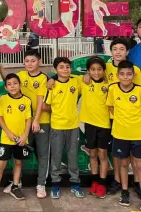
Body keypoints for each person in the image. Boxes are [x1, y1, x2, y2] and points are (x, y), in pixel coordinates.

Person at [0, 50, 50, 198]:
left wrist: (36, 119)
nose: (30, 64)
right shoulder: (21, 75)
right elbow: (8, 79)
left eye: (33, 61)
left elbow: (40, 100)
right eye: (27, 61)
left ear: (39, 62)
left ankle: (41, 184)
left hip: (41, 122)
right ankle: (17, 183)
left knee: (42, 154)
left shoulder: (43, 78)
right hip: (23, 123)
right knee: (19, 155)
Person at [42, 57, 84, 199]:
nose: (65, 69)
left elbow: (88, 77)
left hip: (73, 126)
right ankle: (55, 184)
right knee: (56, 157)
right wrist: (58, 112)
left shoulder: (75, 81)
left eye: (67, 66)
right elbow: (45, 106)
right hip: (57, 127)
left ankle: (75, 183)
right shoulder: (51, 86)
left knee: (73, 156)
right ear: (55, 69)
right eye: (61, 67)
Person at [0, 73, 31, 203]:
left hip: (21, 139)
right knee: (1, 164)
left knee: (18, 162)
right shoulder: (4, 99)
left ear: (20, 85)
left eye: (15, 83)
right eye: (9, 84)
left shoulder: (26, 101)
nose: (12, 87)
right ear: (5, 87)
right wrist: (8, 133)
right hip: (6, 139)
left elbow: (29, 119)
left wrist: (25, 135)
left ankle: (15, 186)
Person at [106, 61, 141, 209]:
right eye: (122, 74)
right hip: (120, 134)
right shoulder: (113, 89)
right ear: (117, 75)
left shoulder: (139, 90)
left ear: (133, 76)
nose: (125, 77)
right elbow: (112, 108)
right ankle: (125, 191)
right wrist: (122, 123)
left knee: (139, 165)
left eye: (129, 74)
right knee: (124, 163)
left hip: (138, 135)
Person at [78, 56, 110, 199]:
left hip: (104, 125)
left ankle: (102, 183)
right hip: (89, 124)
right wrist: (52, 78)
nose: (96, 73)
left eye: (99, 70)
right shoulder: (84, 82)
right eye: (92, 70)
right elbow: (64, 76)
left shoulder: (109, 85)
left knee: (103, 155)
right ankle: (95, 182)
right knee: (92, 154)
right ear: (88, 70)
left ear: (104, 70)